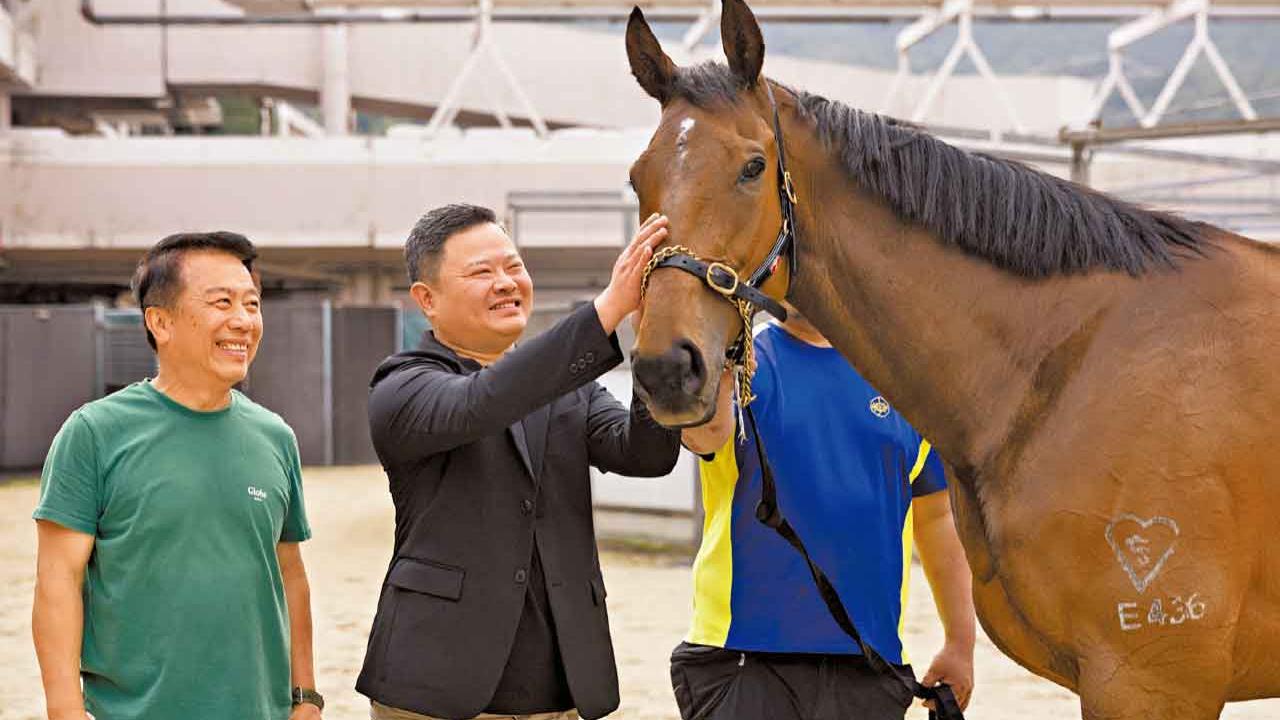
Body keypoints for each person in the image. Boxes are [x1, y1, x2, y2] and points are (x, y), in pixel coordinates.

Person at [356, 204, 681, 720]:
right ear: (427, 300)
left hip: (564, 689)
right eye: (482, 272)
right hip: (434, 691)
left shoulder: (564, 385)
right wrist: (606, 310)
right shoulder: (401, 386)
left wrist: (656, 340)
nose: (506, 283)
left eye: (513, 267)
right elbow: (480, 403)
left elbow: (644, 454)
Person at [32, 231, 322, 720]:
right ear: (160, 322)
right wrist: (64, 709)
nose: (243, 321)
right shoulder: (94, 432)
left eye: (252, 304)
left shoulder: (275, 436)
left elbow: (289, 573)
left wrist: (306, 698)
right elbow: (58, 579)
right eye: (222, 302)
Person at [675, 303, 976, 720]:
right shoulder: (741, 364)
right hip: (745, 655)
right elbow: (703, 436)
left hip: (869, 662)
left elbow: (938, 516)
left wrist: (960, 643)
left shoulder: (903, 378)